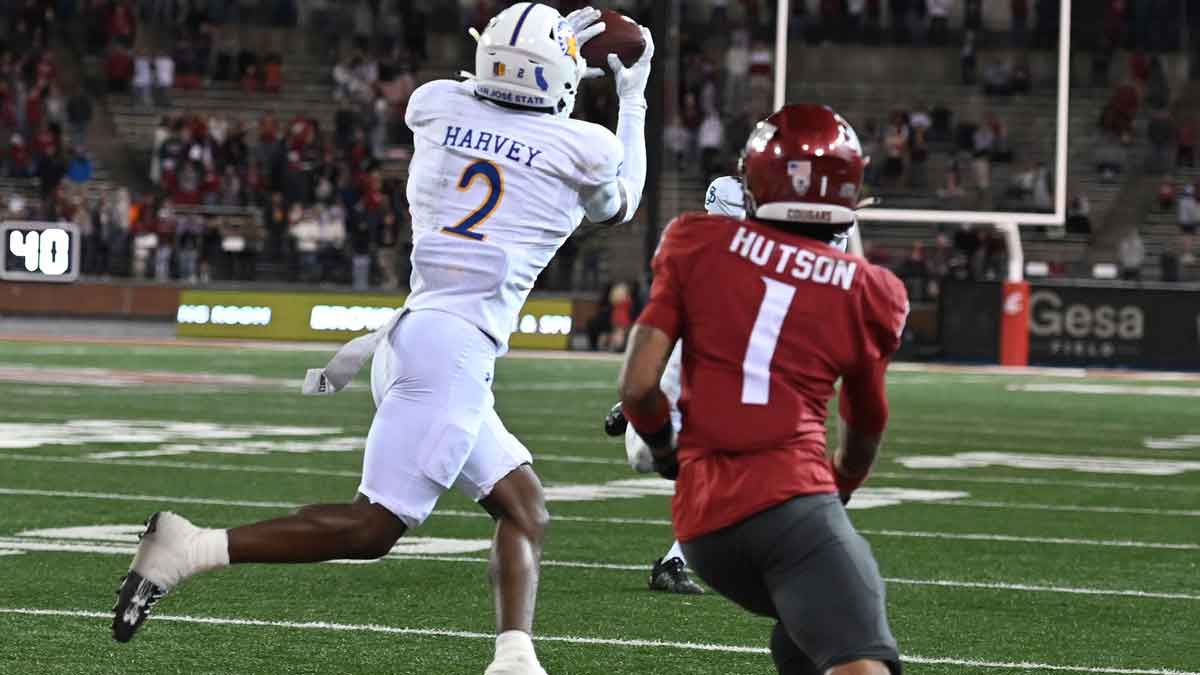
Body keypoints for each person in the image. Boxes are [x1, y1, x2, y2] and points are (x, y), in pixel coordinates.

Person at [111, 6, 652, 675]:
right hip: (450, 354)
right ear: (557, 78)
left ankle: (514, 657)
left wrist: (538, 42)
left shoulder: (436, 106)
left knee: (523, 507)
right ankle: (189, 547)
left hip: (415, 333)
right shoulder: (584, 148)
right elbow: (623, 197)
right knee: (372, 527)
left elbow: (496, 107)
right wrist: (633, 99)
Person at [618, 105, 905, 675]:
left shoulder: (693, 241)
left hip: (701, 527)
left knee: (803, 640)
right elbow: (866, 428)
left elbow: (638, 386)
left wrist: (670, 452)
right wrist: (838, 490)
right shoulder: (870, 289)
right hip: (791, 502)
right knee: (862, 658)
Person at [605, 173, 860, 596]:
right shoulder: (708, 247)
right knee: (648, 459)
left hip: (745, 376)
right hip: (697, 371)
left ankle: (673, 562)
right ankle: (638, 413)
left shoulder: (779, 240)